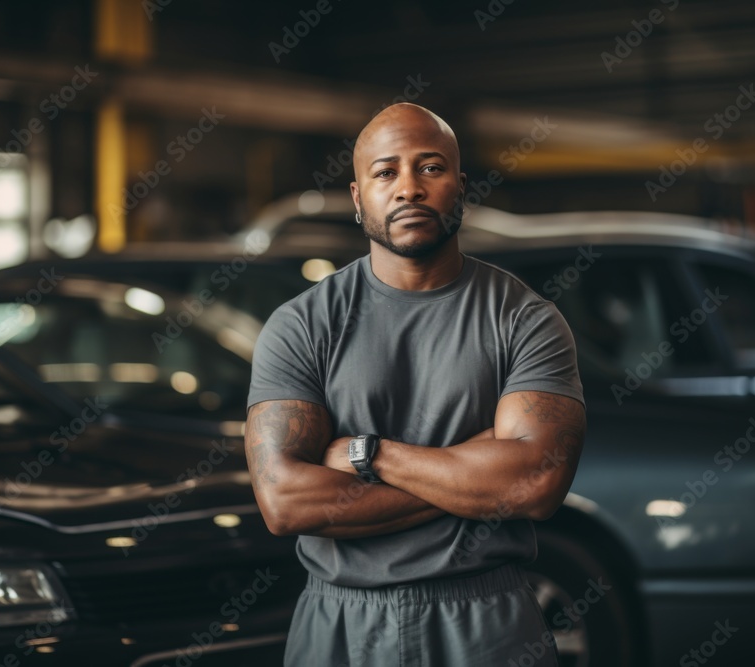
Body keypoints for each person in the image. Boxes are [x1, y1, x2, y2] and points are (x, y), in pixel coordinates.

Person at [245, 102, 585, 666]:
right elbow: (284, 501)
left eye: (430, 168)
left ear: (461, 187)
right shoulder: (302, 324)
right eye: (385, 172)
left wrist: (366, 454)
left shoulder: (525, 319)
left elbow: (536, 484)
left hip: (485, 619)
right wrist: (471, 477)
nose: (409, 188)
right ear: (358, 199)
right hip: (340, 624)